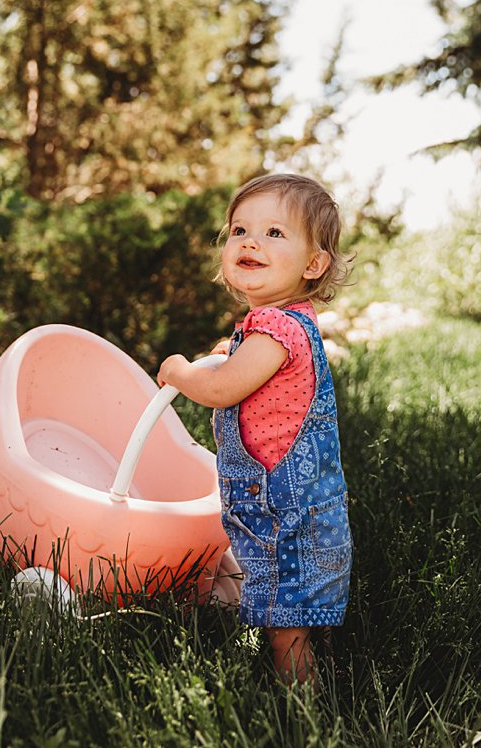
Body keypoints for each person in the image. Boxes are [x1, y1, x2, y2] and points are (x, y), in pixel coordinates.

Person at [158, 172, 353, 685]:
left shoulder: (275, 328)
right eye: (239, 229)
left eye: (274, 233)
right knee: (297, 612)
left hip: (283, 509)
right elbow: (252, 376)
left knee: (284, 625)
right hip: (300, 502)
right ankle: (322, 668)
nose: (250, 241)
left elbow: (223, 391)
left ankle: (301, 708)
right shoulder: (281, 324)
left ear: (314, 264)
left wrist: (181, 372)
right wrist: (230, 355)